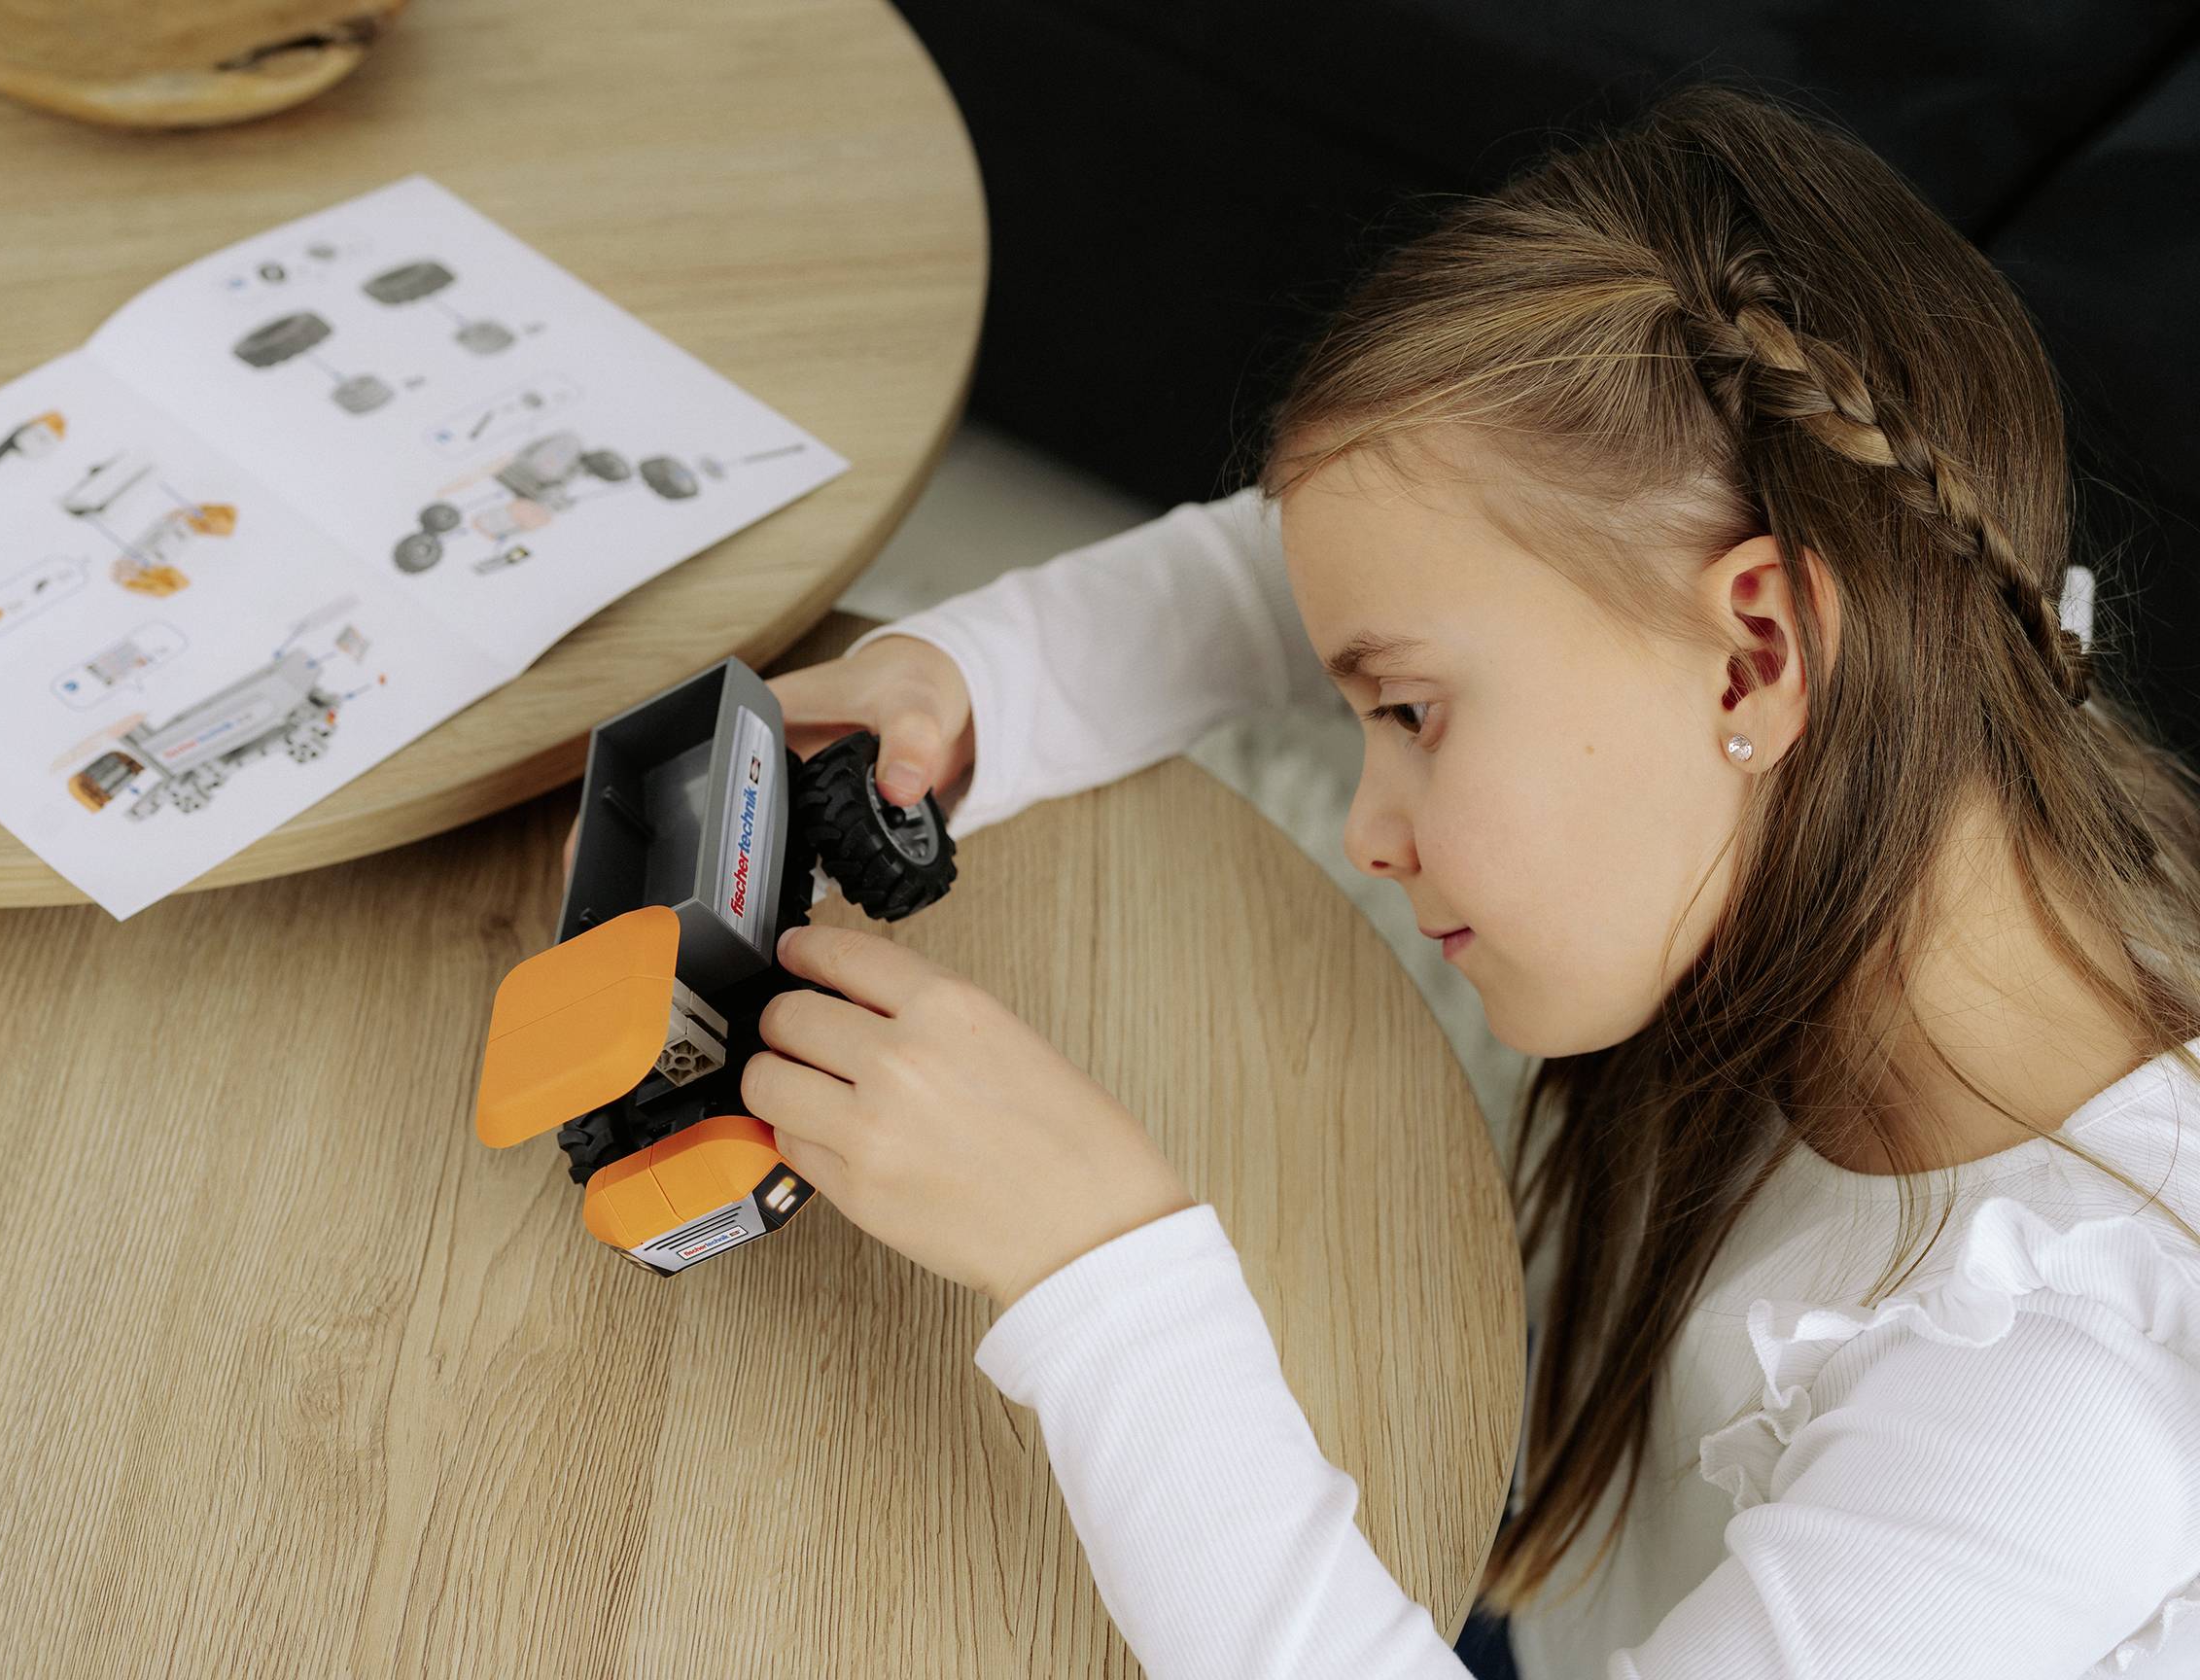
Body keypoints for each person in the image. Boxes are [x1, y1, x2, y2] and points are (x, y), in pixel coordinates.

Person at [574, 80, 2200, 1675]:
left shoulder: (2044, 1405)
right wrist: (969, 680)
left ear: (1757, 649)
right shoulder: (1935, 669)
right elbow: (1305, 565)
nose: (1366, 824)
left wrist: (1098, 1273)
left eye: (1412, 715)